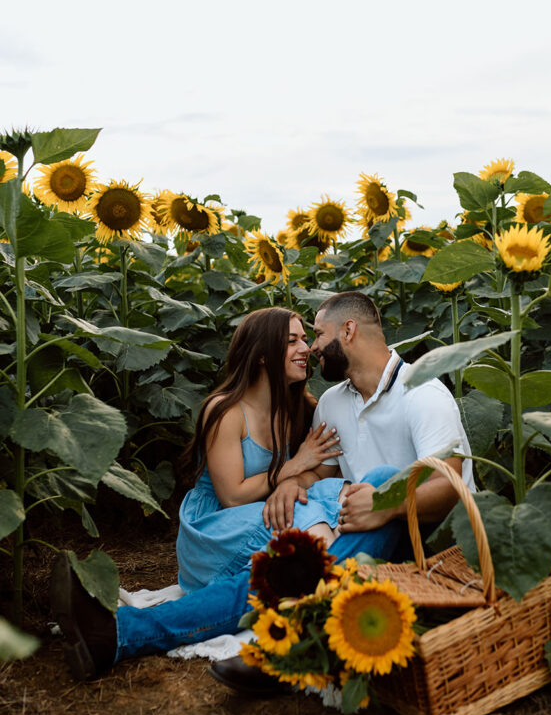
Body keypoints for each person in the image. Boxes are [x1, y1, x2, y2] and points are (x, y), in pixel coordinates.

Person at [49, 291, 473, 687]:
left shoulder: (422, 392)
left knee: (378, 482)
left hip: (426, 542)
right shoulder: (332, 404)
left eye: (317, 336)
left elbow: (450, 487)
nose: (312, 348)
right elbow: (323, 475)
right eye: (300, 340)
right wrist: (292, 484)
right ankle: (281, 643)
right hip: (357, 536)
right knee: (293, 558)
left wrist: (388, 508)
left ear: (348, 332)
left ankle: (285, 639)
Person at [175, 307, 347, 592]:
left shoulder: (300, 408)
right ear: (262, 354)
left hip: (266, 512)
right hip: (215, 531)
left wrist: (293, 481)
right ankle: (341, 593)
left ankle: (344, 581)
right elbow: (232, 496)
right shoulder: (225, 410)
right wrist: (293, 466)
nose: (306, 348)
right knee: (303, 514)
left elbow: (322, 474)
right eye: (292, 341)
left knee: (342, 496)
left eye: (305, 339)